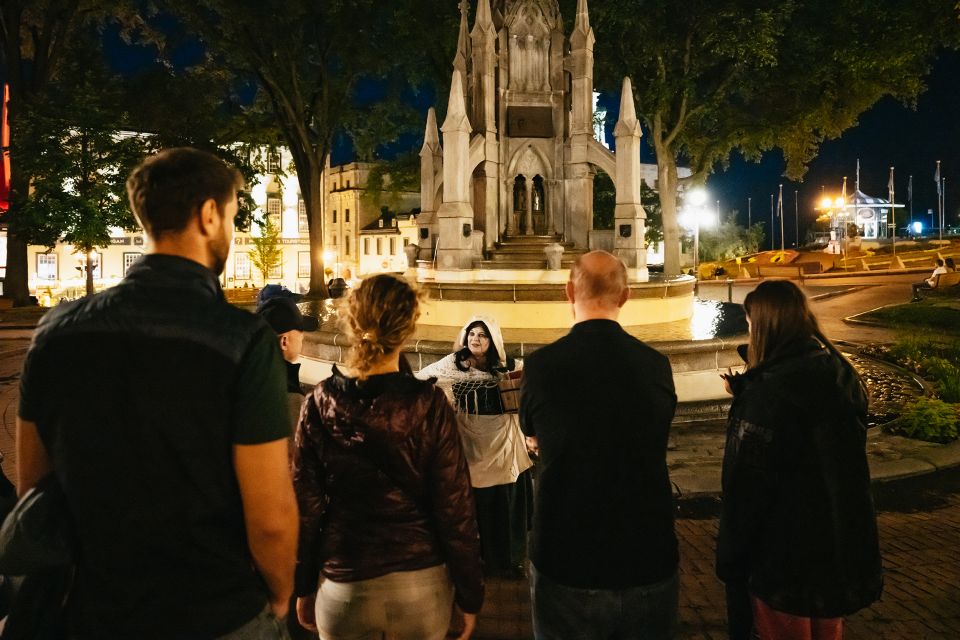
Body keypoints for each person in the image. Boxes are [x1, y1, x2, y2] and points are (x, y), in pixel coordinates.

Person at [15, 147, 299, 638]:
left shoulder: (55, 332)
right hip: (214, 608)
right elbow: (270, 514)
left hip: (95, 611)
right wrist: (279, 590)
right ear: (209, 214)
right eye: (231, 215)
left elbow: (35, 489)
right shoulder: (241, 340)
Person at [292, 273, 484, 640]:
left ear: (352, 320)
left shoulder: (319, 401)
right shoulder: (429, 405)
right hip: (420, 584)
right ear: (408, 326)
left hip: (344, 581)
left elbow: (305, 505)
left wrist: (302, 584)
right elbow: (455, 508)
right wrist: (470, 594)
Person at [519, 250, 679, 640]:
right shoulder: (655, 365)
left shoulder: (541, 367)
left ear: (568, 292)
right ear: (625, 297)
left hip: (567, 553)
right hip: (646, 551)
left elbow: (533, 433)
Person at [716, 280, 882, 640]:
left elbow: (745, 487)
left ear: (764, 325)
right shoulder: (841, 374)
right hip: (837, 543)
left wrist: (731, 559)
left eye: (749, 323)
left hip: (784, 555)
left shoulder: (769, 393)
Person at [419, 316, 534, 576]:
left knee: (502, 504)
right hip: (468, 441)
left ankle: (505, 560)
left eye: (482, 335)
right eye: (472, 334)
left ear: (492, 340)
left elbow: (532, 387)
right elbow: (422, 378)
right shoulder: (453, 364)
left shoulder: (509, 366)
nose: (475, 339)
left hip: (502, 442)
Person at [257, 296, 319, 426]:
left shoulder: (249, 378)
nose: (302, 338)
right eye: (300, 333)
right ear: (284, 341)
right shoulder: (291, 399)